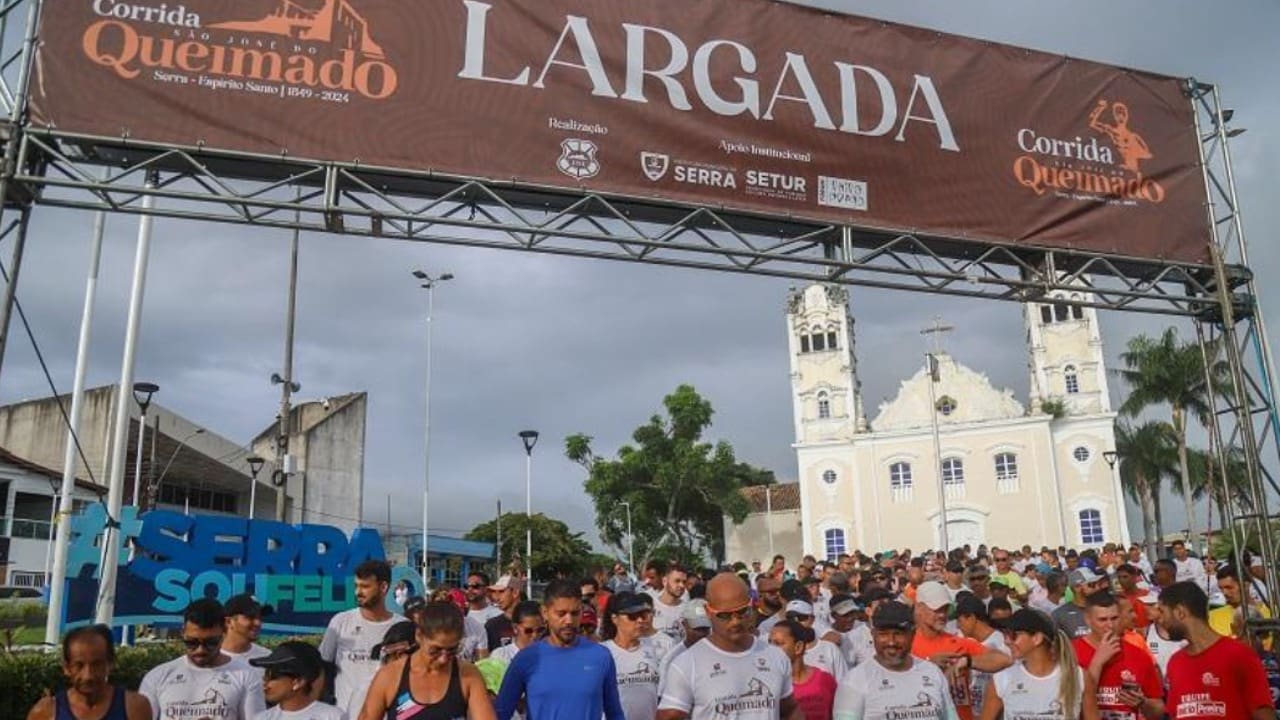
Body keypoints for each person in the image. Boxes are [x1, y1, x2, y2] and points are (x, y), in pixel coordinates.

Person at [657, 572, 799, 720]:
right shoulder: (687, 664)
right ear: (708, 612)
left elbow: (791, 709)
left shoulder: (775, 657)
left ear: (751, 605)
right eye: (725, 615)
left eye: (742, 612)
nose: (735, 621)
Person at [495, 579, 625, 720]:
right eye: (561, 614)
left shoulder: (601, 656)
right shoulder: (526, 659)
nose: (569, 620)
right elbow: (501, 713)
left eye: (575, 613)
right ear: (545, 613)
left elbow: (615, 714)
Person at [1159, 581, 1276, 720]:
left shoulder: (1239, 654)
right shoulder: (1175, 663)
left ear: (1180, 612)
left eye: (1162, 612)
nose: (1160, 620)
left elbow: (1264, 714)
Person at [359, 601, 496, 720]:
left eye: (452, 650)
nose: (443, 659)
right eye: (435, 650)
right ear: (419, 636)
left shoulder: (468, 675)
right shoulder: (390, 676)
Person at [139, 598, 265, 720]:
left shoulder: (246, 676)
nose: (200, 650)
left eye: (210, 643)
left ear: (224, 632)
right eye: (192, 642)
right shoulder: (158, 676)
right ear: (183, 632)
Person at [833, 601, 957, 720]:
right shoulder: (855, 681)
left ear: (912, 634)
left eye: (898, 634)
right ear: (873, 634)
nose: (891, 642)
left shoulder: (933, 673)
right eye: (883, 634)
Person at [911, 581, 1012, 720]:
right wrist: (928, 666)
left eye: (945, 609)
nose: (942, 615)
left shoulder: (959, 643)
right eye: (936, 609)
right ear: (919, 608)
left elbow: (1004, 660)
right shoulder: (906, 646)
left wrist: (967, 661)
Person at [320, 559, 407, 718]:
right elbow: (322, 667)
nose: (358, 592)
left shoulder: (403, 627)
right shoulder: (340, 622)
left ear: (383, 587)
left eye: (365, 586)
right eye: (356, 586)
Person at [980, 608, 1098, 720]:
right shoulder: (1002, 680)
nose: (1006, 641)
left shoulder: (1078, 677)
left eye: (1013, 635)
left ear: (1037, 638)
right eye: (1005, 634)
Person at [26, 625, 151, 720]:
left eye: (97, 665)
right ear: (66, 668)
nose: (88, 675)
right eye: (79, 666)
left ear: (110, 663)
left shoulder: (134, 707)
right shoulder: (47, 712)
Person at [1073, 592, 1164, 720]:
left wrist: (1143, 703)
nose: (1110, 625)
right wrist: (1098, 661)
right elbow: (1066, 703)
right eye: (1102, 620)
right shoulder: (1071, 653)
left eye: (1114, 618)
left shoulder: (1138, 654)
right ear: (1088, 620)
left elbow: (1159, 709)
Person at [600, 592, 664, 720]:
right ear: (615, 619)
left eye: (642, 615)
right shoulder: (602, 652)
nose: (640, 621)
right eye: (632, 616)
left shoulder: (656, 649)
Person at [252, 641, 344, 720]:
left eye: (273, 676)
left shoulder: (332, 716)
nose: (265, 682)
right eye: (265, 674)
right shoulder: (261, 718)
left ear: (298, 682)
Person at [954, 595, 1009, 718]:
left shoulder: (1002, 644)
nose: (958, 626)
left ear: (972, 618)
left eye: (960, 620)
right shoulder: (963, 642)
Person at [770, 619, 837, 720]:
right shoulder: (769, 685)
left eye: (778, 643)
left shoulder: (825, 680)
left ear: (798, 647)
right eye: (769, 643)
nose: (770, 649)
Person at [1210, 565, 1273, 639]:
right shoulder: (1213, 617)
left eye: (1229, 587)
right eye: (1221, 588)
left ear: (1246, 585)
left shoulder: (1271, 612)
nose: (1224, 593)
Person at [657, 598, 712, 679]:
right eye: (697, 628)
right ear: (684, 624)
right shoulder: (671, 659)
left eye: (705, 628)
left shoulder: (720, 652)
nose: (701, 634)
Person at [1053, 568, 1107, 638]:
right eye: (1092, 585)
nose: (1098, 588)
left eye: (1098, 584)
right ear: (1077, 587)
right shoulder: (1060, 615)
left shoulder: (1105, 609)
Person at [223, 593, 272, 663]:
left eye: (260, 617)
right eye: (250, 617)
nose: (258, 623)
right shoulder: (210, 658)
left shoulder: (268, 658)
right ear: (229, 622)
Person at [485, 575, 522, 652]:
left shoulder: (535, 622)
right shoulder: (492, 625)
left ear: (515, 593)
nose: (496, 597)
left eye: (502, 591)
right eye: (494, 592)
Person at [652, 565, 689, 642]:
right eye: (677, 581)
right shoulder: (651, 606)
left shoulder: (688, 609)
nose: (681, 585)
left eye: (684, 582)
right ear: (664, 581)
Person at [1115, 564, 1151, 630]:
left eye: (1125, 577)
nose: (1121, 580)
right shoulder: (1117, 598)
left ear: (1134, 577)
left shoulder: (1147, 594)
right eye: (1119, 577)